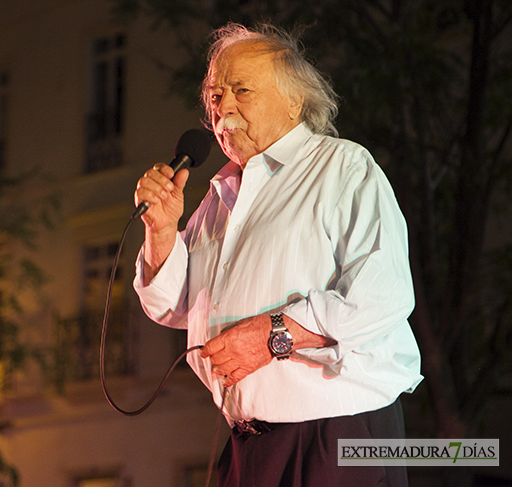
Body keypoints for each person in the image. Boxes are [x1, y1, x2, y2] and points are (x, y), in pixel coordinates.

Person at [132, 22, 422, 486]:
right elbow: (171, 306)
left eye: (240, 90)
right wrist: (162, 232)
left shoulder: (342, 166)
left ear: (294, 101)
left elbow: (382, 296)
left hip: (338, 435)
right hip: (247, 444)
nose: (222, 107)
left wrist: (273, 335)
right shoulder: (216, 197)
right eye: (213, 96)